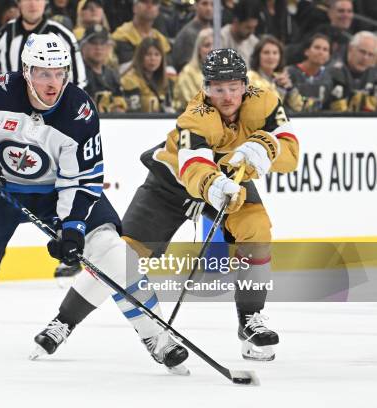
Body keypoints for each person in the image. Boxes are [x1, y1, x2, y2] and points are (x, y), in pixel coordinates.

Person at [0, 32, 188, 376]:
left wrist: (72, 227)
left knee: (112, 251)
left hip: (57, 191)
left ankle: (157, 336)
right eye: (43, 73)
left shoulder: (79, 111)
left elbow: (82, 179)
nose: (53, 82)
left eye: (59, 73)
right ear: (26, 71)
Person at [121, 48, 299, 361]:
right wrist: (213, 184)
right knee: (123, 255)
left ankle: (250, 324)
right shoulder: (196, 116)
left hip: (230, 179)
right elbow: (193, 165)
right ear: (206, 89)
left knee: (257, 230)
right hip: (174, 181)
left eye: (233, 87)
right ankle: (65, 321)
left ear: (245, 85)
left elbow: (291, 154)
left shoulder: (266, 101)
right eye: (218, 88)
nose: (227, 96)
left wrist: (267, 146)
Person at [0, 0, 86, 89]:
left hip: (54, 108)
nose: (33, 4)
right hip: (9, 107)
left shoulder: (63, 36)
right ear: (18, 3)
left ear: (45, 2)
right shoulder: (3, 35)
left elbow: (78, 83)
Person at [111, 0, 172, 75]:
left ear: (158, 10)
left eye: (154, 3)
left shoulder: (161, 39)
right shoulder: (122, 35)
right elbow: (126, 68)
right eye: (144, 2)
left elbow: (169, 69)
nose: (149, 6)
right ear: (134, 7)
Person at [247, 35, 303, 112]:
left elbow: (299, 107)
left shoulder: (280, 78)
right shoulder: (249, 78)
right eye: (266, 53)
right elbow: (269, 108)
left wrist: (290, 89)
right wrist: (280, 90)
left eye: (275, 53)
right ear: (257, 56)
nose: (271, 57)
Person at [121, 37, 174, 113]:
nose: (153, 58)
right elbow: (133, 113)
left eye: (157, 54)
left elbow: (169, 109)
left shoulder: (166, 82)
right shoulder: (129, 80)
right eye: (148, 54)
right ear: (140, 57)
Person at [81, 24, 126, 113]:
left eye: (102, 43)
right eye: (93, 43)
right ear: (83, 47)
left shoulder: (112, 74)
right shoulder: (78, 73)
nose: (98, 48)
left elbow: (120, 108)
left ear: (109, 47)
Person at [328, 31, 377, 111]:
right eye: (362, 52)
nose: (365, 58)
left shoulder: (374, 75)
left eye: (370, 54)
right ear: (350, 48)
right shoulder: (332, 71)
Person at [286, 33, 334, 112]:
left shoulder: (328, 78)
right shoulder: (289, 73)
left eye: (325, 49)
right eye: (317, 47)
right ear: (306, 51)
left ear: (328, 56)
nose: (321, 52)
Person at [173, 27, 212, 112]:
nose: (211, 50)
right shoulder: (187, 72)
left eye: (215, 45)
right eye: (207, 45)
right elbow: (192, 105)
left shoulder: (227, 74)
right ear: (198, 49)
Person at [170, 0, 213, 73]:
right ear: (196, 6)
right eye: (204, 4)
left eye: (212, 5)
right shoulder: (188, 34)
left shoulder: (214, 32)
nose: (209, 8)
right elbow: (186, 69)